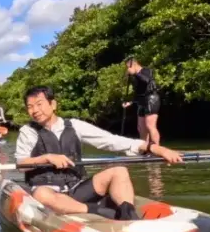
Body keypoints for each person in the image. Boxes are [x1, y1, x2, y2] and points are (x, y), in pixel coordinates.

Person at [16, 86, 183, 220]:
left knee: (119, 170)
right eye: (30, 107)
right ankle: (95, 210)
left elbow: (111, 141)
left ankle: (128, 213)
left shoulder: (74, 125)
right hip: (48, 192)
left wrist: (153, 148)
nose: (35, 110)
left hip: (76, 189)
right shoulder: (27, 131)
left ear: (53, 104)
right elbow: (21, 164)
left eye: (39, 104)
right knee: (41, 194)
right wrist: (47, 157)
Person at [122, 57, 161, 147]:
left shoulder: (147, 71)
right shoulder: (134, 76)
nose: (128, 69)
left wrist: (136, 74)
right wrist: (131, 102)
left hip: (151, 99)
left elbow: (147, 81)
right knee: (141, 128)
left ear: (134, 65)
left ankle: (157, 148)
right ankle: (145, 148)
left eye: (128, 67)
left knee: (150, 126)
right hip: (141, 101)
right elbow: (138, 92)